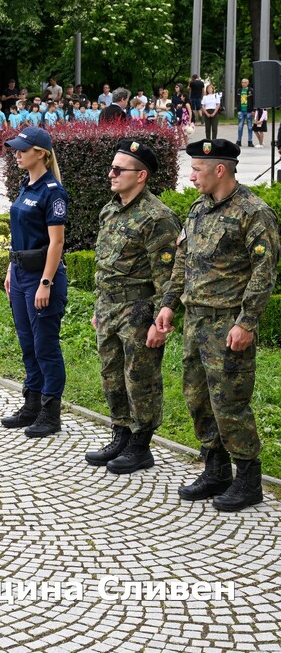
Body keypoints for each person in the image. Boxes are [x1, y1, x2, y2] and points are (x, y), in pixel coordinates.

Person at [155, 139, 280, 512]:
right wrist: (168, 304)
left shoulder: (253, 213)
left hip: (227, 325)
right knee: (197, 398)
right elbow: (182, 261)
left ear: (219, 169)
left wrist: (247, 322)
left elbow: (264, 273)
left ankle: (248, 479)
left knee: (230, 403)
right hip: (195, 322)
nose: (191, 176)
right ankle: (215, 469)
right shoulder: (198, 210)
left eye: (196, 169)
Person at [85, 140, 181, 473]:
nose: (111, 174)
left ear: (141, 176)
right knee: (111, 376)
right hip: (109, 309)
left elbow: (167, 277)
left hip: (139, 312)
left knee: (140, 379)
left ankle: (141, 446)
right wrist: (100, 308)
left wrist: (159, 322)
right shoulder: (111, 209)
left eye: (118, 169)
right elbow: (105, 265)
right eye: (111, 167)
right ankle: (121, 433)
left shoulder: (157, 218)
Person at [0, 127, 69, 438]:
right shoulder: (26, 186)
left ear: (41, 153)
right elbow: (18, 236)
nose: (17, 154)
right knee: (28, 344)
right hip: (21, 276)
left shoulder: (52, 191)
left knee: (45, 347)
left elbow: (56, 243)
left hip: (43, 277)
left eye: (22, 150)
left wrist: (46, 282)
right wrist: (10, 270)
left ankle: (50, 414)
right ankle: (31, 405)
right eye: (15, 149)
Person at [235, 78, 254, 148]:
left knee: (250, 127)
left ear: (248, 83)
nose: (243, 84)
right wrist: (238, 108)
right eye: (242, 82)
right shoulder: (239, 91)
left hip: (249, 111)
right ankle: (239, 141)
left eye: (245, 82)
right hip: (241, 111)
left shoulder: (251, 91)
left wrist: (253, 110)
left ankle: (250, 141)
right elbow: (237, 100)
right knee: (240, 127)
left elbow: (253, 100)